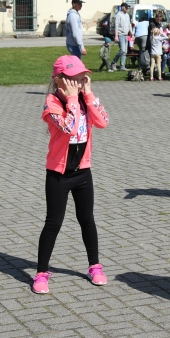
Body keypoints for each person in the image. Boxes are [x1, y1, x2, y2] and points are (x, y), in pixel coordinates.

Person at [33, 55, 109, 294]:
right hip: (59, 174)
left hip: (82, 172)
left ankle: (94, 266)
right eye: (73, 78)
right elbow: (70, 128)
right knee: (53, 222)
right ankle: (41, 272)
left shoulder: (85, 100)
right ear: (59, 80)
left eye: (81, 77)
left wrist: (88, 94)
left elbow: (103, 122)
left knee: (87, 219)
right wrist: (74, 98)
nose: (79, 81)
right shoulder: (52, 103)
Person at [113, 4, 131, 70]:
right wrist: (116, 36)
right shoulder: (118, 15)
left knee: (125, 52)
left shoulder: (127, 15)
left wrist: (132, 33)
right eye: (126, 7)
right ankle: (113, 62)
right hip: (120, 35)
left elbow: (129, 25)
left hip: (126, 35)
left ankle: (122, 66)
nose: (127, 9)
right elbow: (116, 26)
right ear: (123, 7)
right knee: (122, 50)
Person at [148, 17, 165, 81]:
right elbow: (166, 37)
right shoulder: (159, 38)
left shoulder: (151, 38)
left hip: (152, 53)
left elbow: (152, 34)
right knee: (158, 66)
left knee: (152, 65)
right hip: (158, 53)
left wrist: (152, 32)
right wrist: (162, 33)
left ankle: (151, 77)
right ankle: (160, 77)